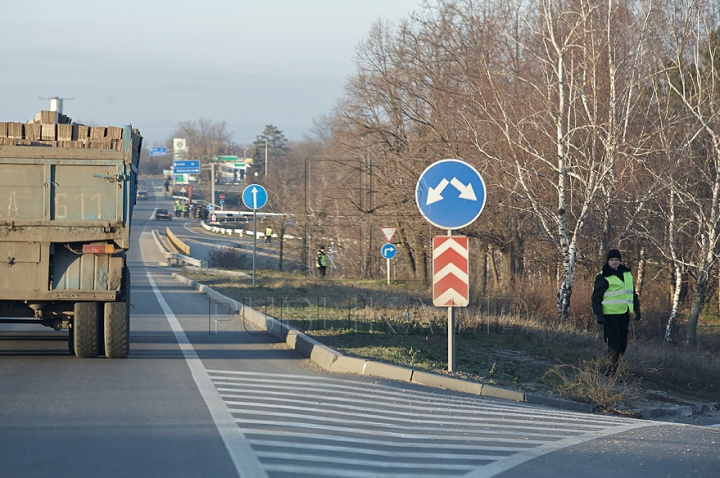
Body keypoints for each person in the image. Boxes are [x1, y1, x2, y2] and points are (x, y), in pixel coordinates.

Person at [591, 249, 641, 377]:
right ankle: (611, 370)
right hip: (610, 315)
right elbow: (596, 297)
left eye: (616, 260)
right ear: (608, 261)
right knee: (614, 344)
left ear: (620, 261)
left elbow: (632, 293)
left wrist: (637, 309)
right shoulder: (603, 276)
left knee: (623, 344)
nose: (614, 262)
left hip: (624, 314)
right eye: (612, 260)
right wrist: (599, 315)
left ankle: (616, 368)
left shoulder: (627, 274)